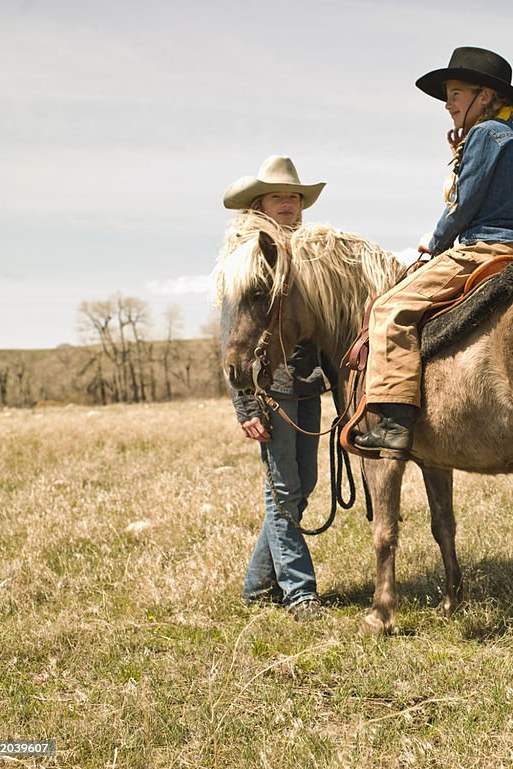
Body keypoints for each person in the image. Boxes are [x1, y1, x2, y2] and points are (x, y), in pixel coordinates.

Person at [353, 46, 513, 458]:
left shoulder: (483, 135)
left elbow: (464, 203)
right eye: (448, 95)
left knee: (390, 310)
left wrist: (435, 243)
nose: (447, 104)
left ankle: (394, 422)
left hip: (484, 249)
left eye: (456, 93)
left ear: (486, 96)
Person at [218, 155, 328, 621]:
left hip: (305, 383)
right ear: (259, 203)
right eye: (279, 196)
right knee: (284, 488)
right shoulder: (246, 256)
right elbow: (235, 336)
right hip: (270, 387)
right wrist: (245, 404)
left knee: (304, 484)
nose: (288, 204)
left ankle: (257, 585)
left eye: (294, 197)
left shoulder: (306, 251)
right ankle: (299, 593)